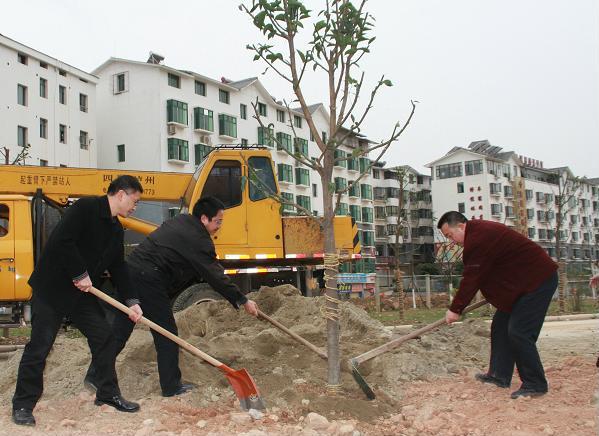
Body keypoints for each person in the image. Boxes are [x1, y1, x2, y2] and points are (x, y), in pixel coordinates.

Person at [85, 196, 259, 397]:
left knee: (120, 329)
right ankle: (171, 386)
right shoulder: (198, 239)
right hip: (147, 279)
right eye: (218, 221)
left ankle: (95, 375)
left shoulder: (181, 221)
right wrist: (242, 299)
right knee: (166, 332)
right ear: (204, 218)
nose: (220, 226)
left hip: (130, 273)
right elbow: (214, 275)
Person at [12, 175, 145, 426]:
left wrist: (131, 301)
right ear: (121, 194)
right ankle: (22, 405)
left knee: (104, 337)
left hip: (80, 294)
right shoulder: (86, 208)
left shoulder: (116, 229)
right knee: (40, 346)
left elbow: (118, 266)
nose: (135, 207)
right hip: (52, 289)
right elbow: (62, 241)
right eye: (135, 201)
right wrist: (79, 273)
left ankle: (107, 394)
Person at [438, 211, 558, 399]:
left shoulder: (478, 238)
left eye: (450, 235)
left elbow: (472, 278)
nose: (451, 241)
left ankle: (535, 384)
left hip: (537, 282)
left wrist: (455, 309)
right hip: (521, 287)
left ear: (461, 226)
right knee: (500, 327)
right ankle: (498, 376)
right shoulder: (479, 234)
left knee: (519, 331)